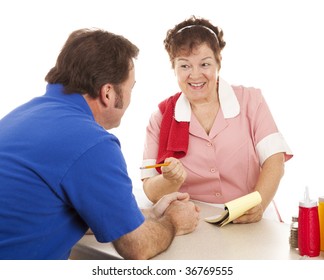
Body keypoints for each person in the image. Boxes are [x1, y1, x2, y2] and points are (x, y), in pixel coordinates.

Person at [0, 28, 200, 260]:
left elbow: (45, 210)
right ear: (108, 93)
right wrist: (173, 221)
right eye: (130, 87)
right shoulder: (91, 142)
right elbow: (137, 248)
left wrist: (148, 215)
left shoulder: (19, 117)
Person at [141, 16, 293, 224]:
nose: (195, 75)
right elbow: (150, 190)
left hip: (251, 216)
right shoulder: (161, 117)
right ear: (173, 68)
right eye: (184, 66)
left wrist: (258, 203)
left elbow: (275, 162)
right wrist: (169, 179)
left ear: (218, 61)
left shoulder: (251, 100)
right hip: (193, 223)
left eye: (204, 64)